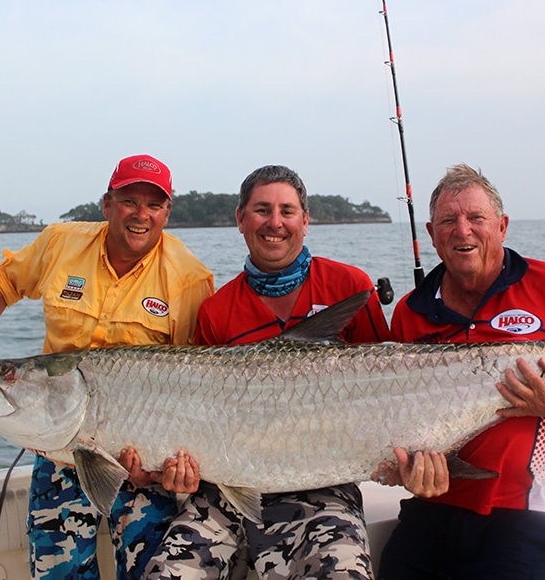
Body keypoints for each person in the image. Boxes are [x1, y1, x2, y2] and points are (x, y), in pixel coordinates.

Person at [0, 154, 215, 580]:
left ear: (167, 212)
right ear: (107, 204)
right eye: (129, 201)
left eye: (154, 204)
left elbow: (194, 384)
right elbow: (4, 282)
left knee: (157, 571)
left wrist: (162, 468)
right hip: (61, 448)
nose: (141, 215)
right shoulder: (60, 243)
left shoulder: (189, 278)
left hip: (141, 461)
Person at [144, 164, 393, 580]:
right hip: (225, 488)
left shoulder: (350, 286)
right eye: (261, 210)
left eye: (287, 211)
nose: (274, 223)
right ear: (241, 219)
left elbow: (391, 382)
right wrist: (178, 469)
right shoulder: (217, 310)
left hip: (324, 484)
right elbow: (196, 412)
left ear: (305, 221)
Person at [375, 164, 545, 580]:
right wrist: (402, 470)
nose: (462, 230)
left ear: (502, 226)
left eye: (476, 218)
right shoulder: (409, 313)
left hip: (530, 513)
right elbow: (396, 427)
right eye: (449, 221)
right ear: (432, 235)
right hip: (432, 506)